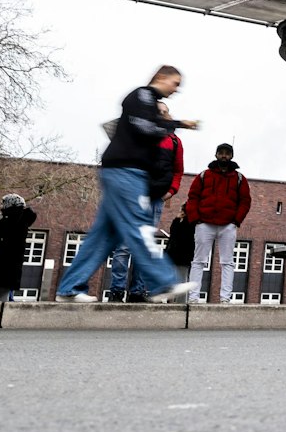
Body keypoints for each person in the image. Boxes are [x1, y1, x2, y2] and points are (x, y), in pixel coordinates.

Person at [55, 66, 197, 303]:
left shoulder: (147, 100)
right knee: (138, 228)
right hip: (126, 171)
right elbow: (145, 128)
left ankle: (69, 288)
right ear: (161, 78)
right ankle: (164, 282)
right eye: (175, 83)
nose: (176, 90)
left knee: (103, 235)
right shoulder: (143, 95)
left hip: (122, 170)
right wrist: (178, 124)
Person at [106, 110, 184, 302]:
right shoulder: (140, 134)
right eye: (160, 111)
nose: (164, 114)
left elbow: (178, 170)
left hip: (155, 199)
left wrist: (171, 191)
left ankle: (137, 291)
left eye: (166, 112)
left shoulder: (174, 141)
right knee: (124, 246)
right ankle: (116, 290)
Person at [184, 142, 252, 303]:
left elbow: (245, 201)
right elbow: (192, 197)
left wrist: (236, 220)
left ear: (231, 156)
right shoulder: (203, 176)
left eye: (227, 153)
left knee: (227, 261)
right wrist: (196, 219)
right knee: (198, 260)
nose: (223, 156)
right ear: (215, 154)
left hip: (228, 224)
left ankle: (225, 299)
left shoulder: (239, 178)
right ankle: (193, 298)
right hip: (204, 223)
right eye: (221, 152)